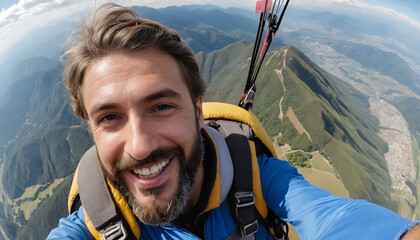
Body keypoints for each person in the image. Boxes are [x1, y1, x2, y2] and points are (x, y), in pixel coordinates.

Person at [47, 3, 419, 240]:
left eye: (160, 106)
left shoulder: (256, 177)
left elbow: (334, 217)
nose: (140, 145)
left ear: (197, 110)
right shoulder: (93, 223)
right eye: (110, 117)